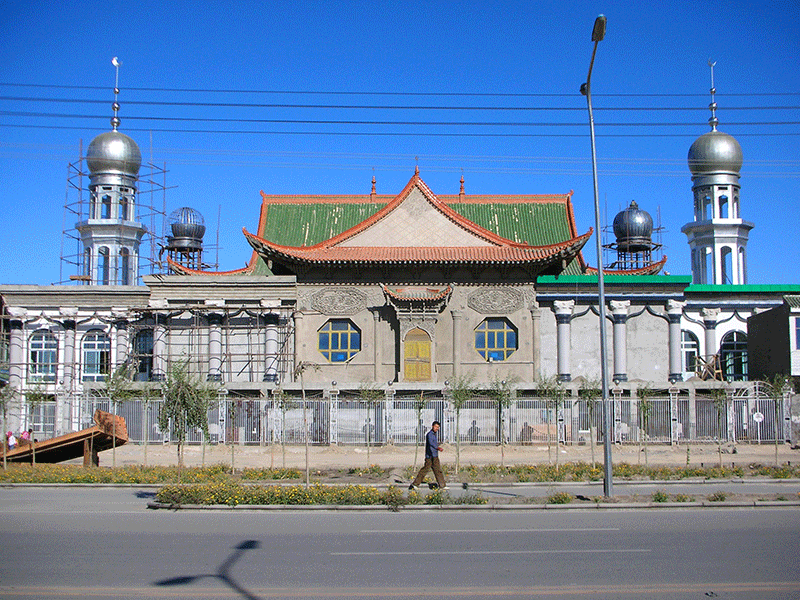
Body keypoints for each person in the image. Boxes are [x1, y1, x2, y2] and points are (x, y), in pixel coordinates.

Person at [409, 421, 446, 490]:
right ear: (432, 426)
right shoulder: (429, 434)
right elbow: (431, 443)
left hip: (434, 455)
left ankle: (442, 485)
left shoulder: (434, 434)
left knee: (438, 470)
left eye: (438, 427)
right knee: (425, 470)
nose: (437, 428)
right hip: (429, 456)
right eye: (435, 427)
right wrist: (437, 447)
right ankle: (415, 484)